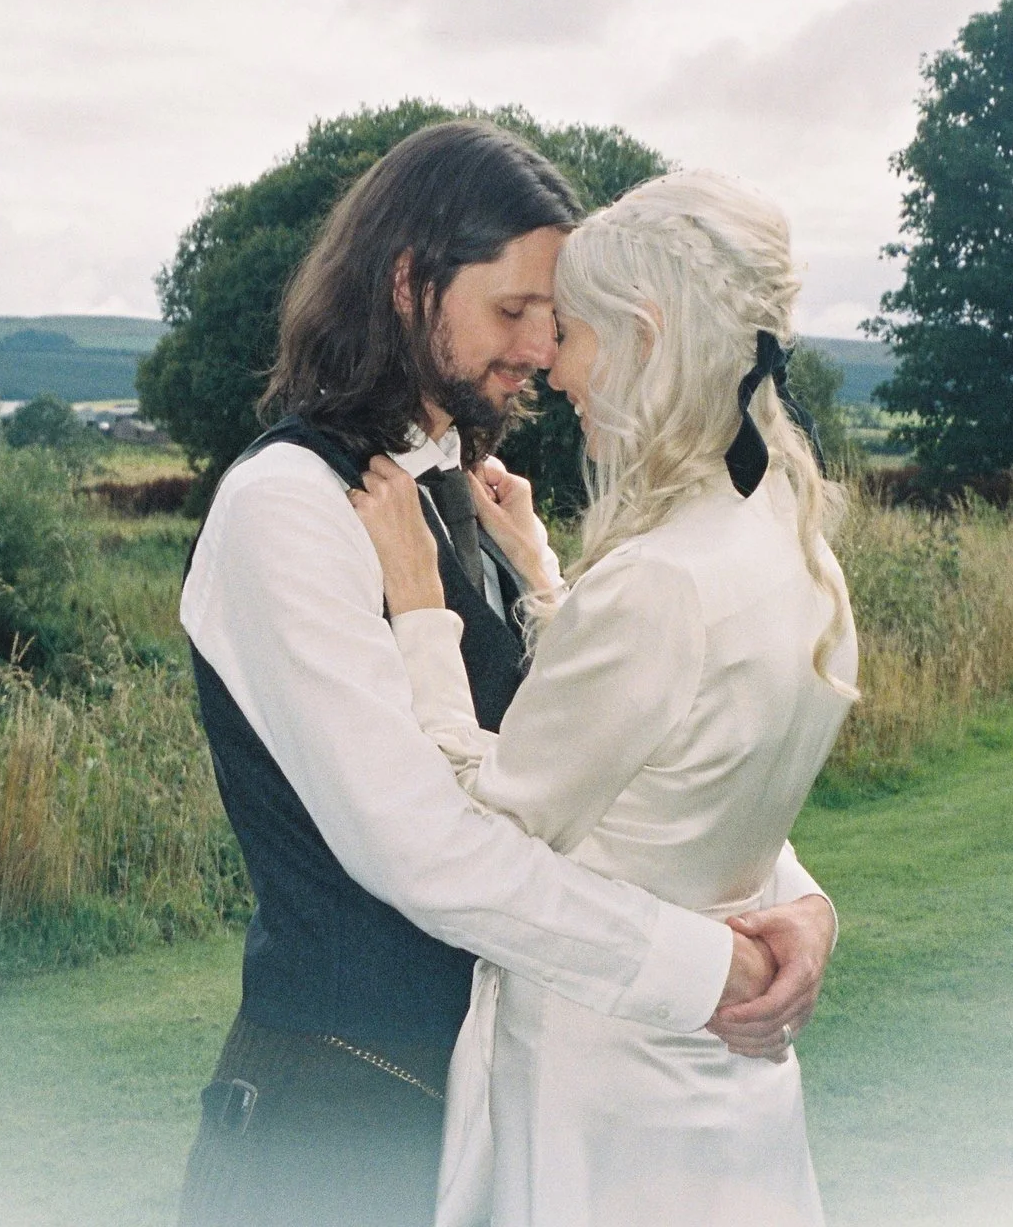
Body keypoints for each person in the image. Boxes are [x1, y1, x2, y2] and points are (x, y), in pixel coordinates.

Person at [176, 122, 838, 1227]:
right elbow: (422, 847)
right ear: (407, 283)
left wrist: (790, 899)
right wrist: (700, 969)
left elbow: (623, 752)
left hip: (504, 1099)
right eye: (512, 310)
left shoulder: (462, 491)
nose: (542, 348)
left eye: (557, 314)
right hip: (347, 1116)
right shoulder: (286, 509)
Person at [348, 170, 859, 1227]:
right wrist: (542, 572)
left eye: (573, 335)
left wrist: (418, 609)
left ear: (645, 334)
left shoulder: (659, 582)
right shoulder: (793, 545)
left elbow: (477, 821)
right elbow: (679, 753)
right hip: (729, 1081)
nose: (553, 366)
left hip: (608, 1080)